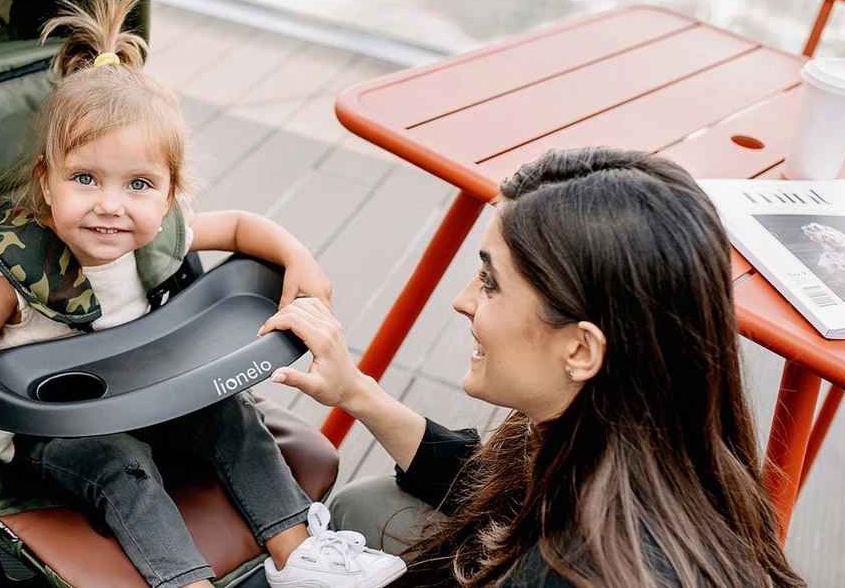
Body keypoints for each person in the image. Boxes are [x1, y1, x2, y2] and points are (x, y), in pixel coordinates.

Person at [0, 0, 406, 588]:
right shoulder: (12, 269)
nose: (110, 206)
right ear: (46, 180)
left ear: (168, 196)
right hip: (57, 428)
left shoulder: (157, 235)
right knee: (123, 464)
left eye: (138, 185)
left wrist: (298, 259)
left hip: (151, 392)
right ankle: (185, 582)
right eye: (85, 179)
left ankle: (298, 555)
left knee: (232, 416)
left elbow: (241, 227)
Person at [260, 148, 806, 587]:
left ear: (581, 350)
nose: (462, 300)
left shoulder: (571, 568)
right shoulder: (664, 458)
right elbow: (491, 488)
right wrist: (355, 391)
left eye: (490, 283)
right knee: (365, 501)